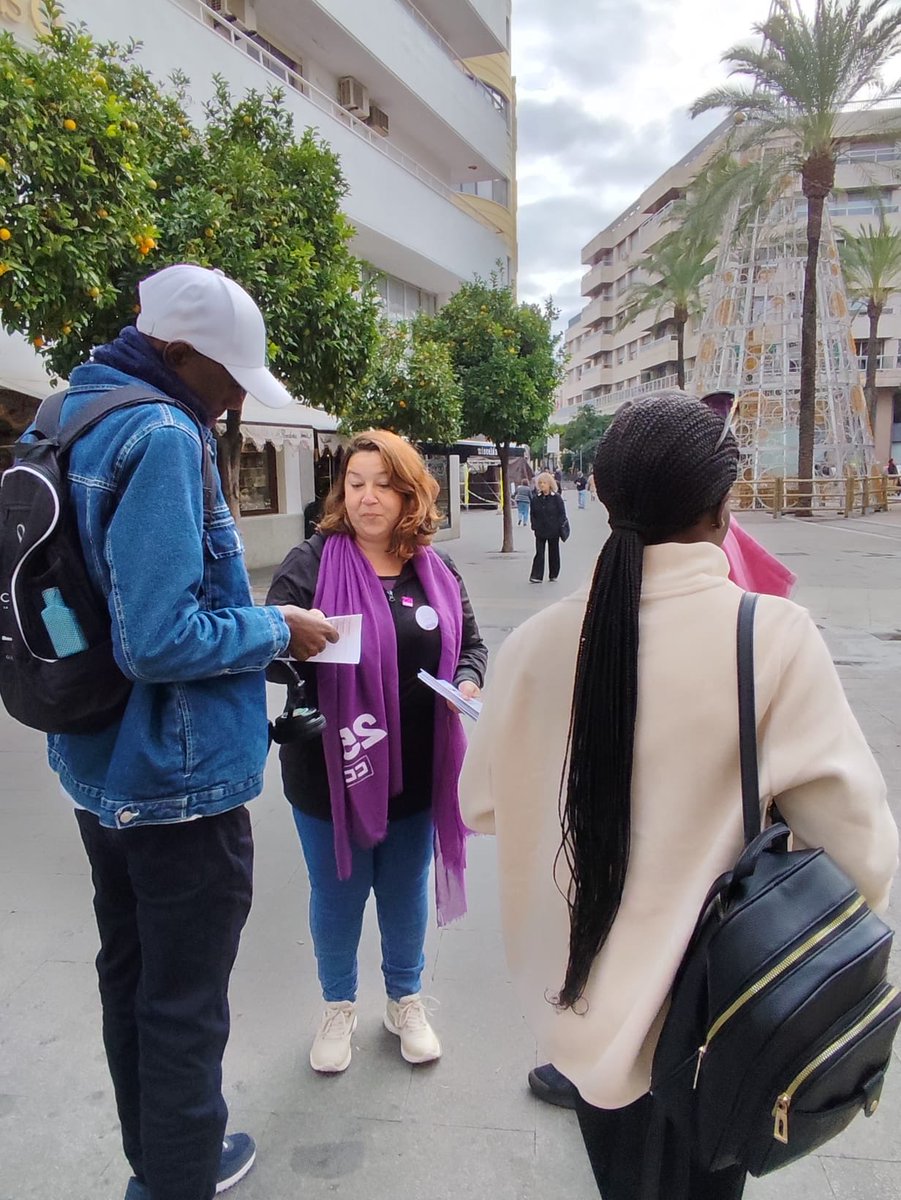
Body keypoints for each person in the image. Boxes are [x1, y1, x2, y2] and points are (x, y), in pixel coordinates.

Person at [459, 395, 897, 1200]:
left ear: (604, 496)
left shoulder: (531, 644)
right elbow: (863, 854)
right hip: (715, 1024)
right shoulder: (769, 636)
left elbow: (480, 805)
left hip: (576, 1016)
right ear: (723, 507)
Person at [29, 264, 340, 1200]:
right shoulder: (161, 433)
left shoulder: (65, 414)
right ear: (171, 350)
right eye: (227, 376)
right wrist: (276, 629)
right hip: (177, 778)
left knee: (130, 974)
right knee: (185, 1004)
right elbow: (159, 639)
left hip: (94, 759)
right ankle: (176, 1177)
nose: (237, 397)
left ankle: (159, 1162)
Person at [266, 430, 487, 1074]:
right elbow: (267, 650)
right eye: (356, 483)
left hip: (418, 767)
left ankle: (404, 1000)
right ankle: (338, 1006)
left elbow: (471, 646)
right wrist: (294, 642)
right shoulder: (311, 563)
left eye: (383, 485)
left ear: (409, 494)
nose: (367, 497)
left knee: (403, 888)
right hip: (331, 769)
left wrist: (466, 681)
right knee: (337, 893)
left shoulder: (435, 568)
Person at [529, 472, 567, 584]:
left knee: (553, 552)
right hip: (540, 530)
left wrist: (559, 526)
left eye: (544, 483)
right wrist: (534, 526)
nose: (542, 485)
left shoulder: (556, 498)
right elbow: (532, 514)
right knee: (539, 553)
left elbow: (562, 514)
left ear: (550, 484)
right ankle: (536, 575)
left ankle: (553, 574)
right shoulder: (536, 499)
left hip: (553, 530)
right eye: (540, 483)